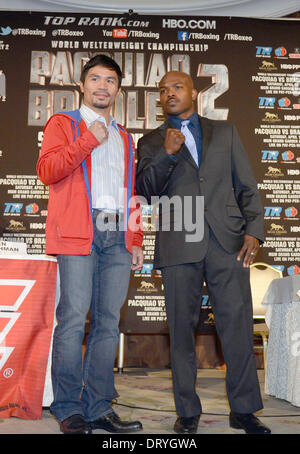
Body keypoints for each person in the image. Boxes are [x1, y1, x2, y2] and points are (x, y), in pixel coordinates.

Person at [136, 71, 271, 435]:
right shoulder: (150, 142)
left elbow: (246, 185)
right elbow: (146, 192)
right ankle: (187, 411)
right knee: (181, 331)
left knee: (237, 327)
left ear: (193, 92)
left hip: (227, 243)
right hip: (179, 243)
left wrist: (253, 232)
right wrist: (166, 154)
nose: (169, 94)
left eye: (176, 87)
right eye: (163, 91)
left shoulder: (224, 132)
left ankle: (244, 410)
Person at [37, 54, 144, 434]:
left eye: (110, 80)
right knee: (71, 319)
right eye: (95, 79)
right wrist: (87, 141)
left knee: (107, 323)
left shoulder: (126, 136)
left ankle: (99, 407)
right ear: (82, 85)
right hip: (78, 232)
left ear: (118, 88)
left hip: (117, 234)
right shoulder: (64, 123)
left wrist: (135, 237)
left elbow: (131, 191)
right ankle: (67, 408)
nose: (103, 86)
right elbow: (47, 171)